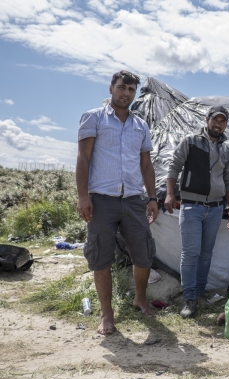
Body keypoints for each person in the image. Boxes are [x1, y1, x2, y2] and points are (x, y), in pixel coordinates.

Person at [76, 70, 158, 335]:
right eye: (122, 88)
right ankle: (107, 315)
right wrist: (83, 196)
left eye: (131, 90)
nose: (126, 94)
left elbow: (146, 164)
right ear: (111, 88)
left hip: (134, 199)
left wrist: (153, 197)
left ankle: (140, 298)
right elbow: (83, 158)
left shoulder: (140, 126)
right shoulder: (95, 118)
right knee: (101, 258)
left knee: (144, 254)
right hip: (102, 200)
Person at [164, 105, 229, 318]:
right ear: (207, 119)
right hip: (191, 206)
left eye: (222, 121)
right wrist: (169, 194)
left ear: (225, 125)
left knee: (206, 254)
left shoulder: (226, 150)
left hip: (215, 208)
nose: (218, 124)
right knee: (191, 253)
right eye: (215, 120)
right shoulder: (191, 142)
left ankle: (199, 292)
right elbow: (174, 167)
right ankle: (189, 298)